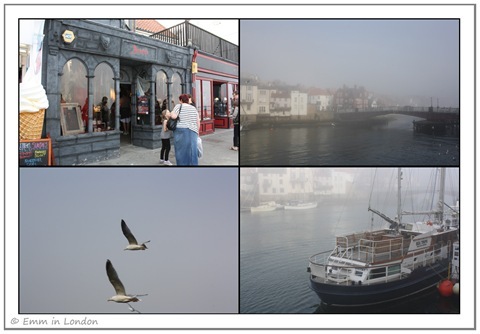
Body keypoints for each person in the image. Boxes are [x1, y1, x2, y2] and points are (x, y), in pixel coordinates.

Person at [170, 93, 200, 166]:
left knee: (181, 150)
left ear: (181, 100)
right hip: (193, 131)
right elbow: (197, 121)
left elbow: (173, 116)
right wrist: (197, 132)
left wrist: (171, 113)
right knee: (192, 151)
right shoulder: (193, 108)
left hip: (181, 131)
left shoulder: (178, 106)